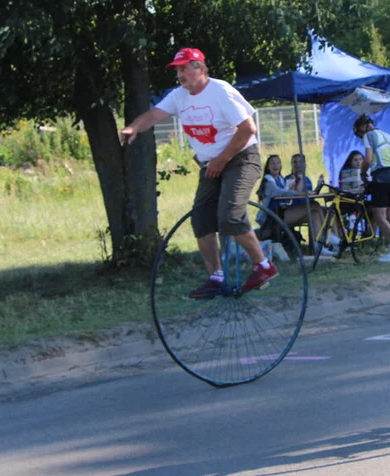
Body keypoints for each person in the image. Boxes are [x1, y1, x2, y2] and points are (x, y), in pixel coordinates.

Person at [119, 47, 277, 298]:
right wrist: (133, 127)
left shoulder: (220, 91)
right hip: (211, 164)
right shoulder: (179, 96)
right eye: (177, 69)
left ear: (201, 69)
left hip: (240, 158)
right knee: (201, 220)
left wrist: (221, 159)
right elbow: (153, 114)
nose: (180, 74)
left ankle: (263, 266)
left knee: (230, 215)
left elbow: (248, 129)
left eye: (185, 68)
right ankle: (215, 277)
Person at [354, 114, 390, 262]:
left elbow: (368, 159)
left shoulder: (368, 135)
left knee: (379, 216)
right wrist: (389, 168)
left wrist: (363, 173)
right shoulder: (389, 136)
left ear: (363, 127)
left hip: (380, 179)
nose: (360, 136)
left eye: (359, 133)